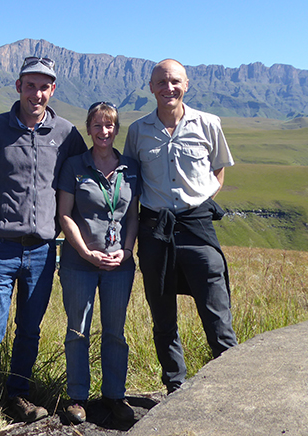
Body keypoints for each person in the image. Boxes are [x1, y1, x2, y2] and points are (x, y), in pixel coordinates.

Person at [0, 56, 88, 436]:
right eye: (30, 85)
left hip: (43, 251)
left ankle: (17, 395)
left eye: (44, 87)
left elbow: (84, 180)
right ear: (18, 86)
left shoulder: (66, 133)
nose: (37, 93)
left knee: (29, 330)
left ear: (53, 90)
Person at [123, 59, 238, 394]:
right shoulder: (138, 131)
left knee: (217, 315)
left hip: (197, 228)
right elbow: (132, 180)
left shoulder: (208, 123)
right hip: (155, 232)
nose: (168, 88)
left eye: (175, 81)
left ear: (186, 84)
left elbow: (219, 168)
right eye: (161, 82)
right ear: (151, 88)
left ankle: (231, 387)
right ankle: (175, 385)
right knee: (163, 317)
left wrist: (201, 200)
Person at [57, 102, 140, 424]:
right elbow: (64, 214)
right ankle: (78, 397)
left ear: (116, 129)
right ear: (88, 128)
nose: (103, 132)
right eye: (97, 125)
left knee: (115, 332)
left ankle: (114, 395)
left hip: (119, 265)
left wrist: (127, 251)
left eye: (109, 126)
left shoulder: (131, 168)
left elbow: (133, 216)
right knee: (78, 330)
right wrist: (84, 252)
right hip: (79, 264)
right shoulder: (74, 166)